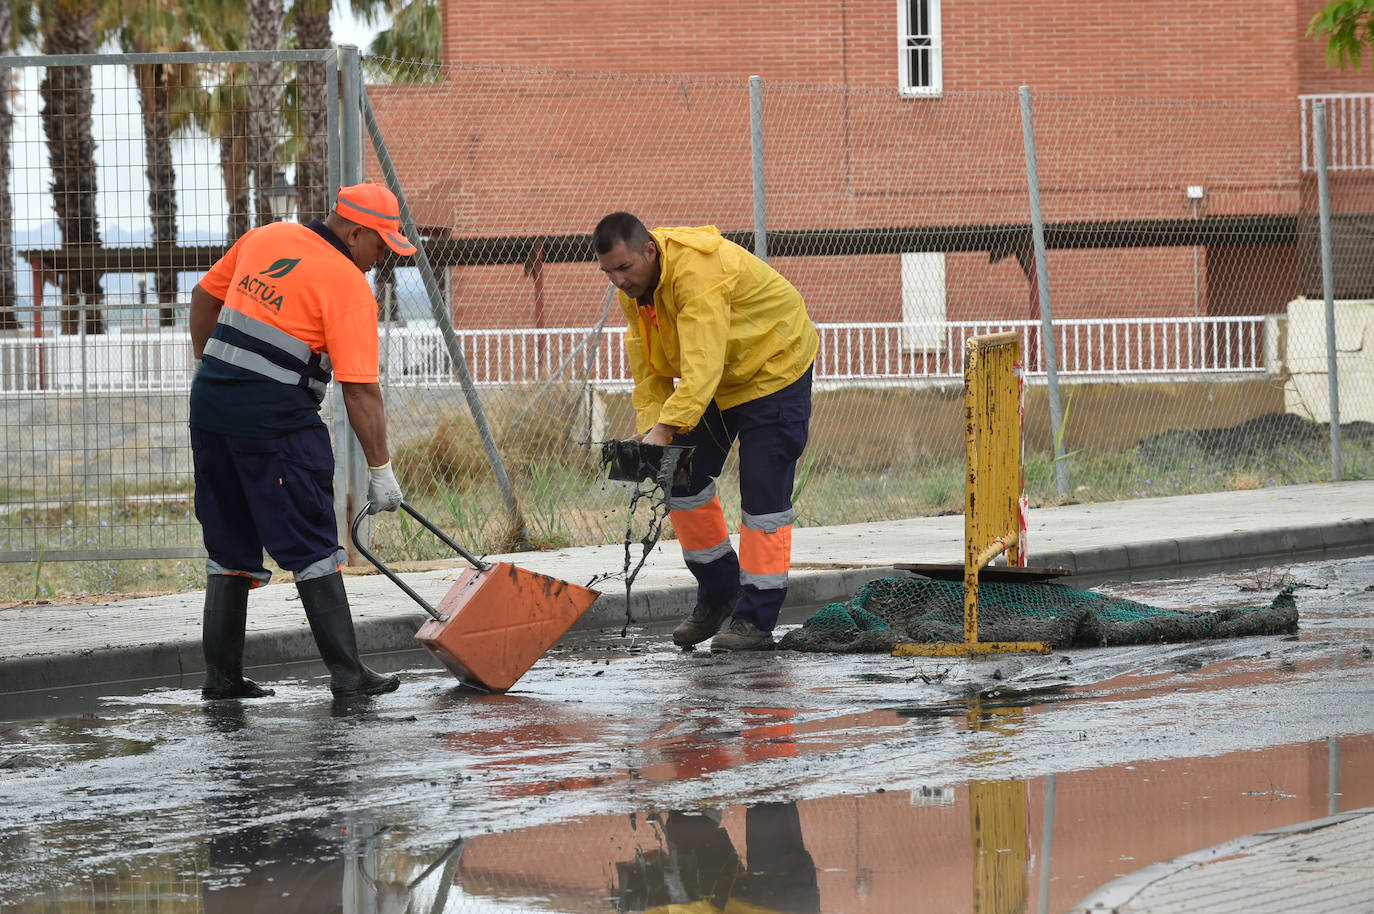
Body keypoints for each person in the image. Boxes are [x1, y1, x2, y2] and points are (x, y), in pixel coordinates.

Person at [190, 181, 414, 700]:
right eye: (380, 245)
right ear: (355, 231)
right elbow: (360, 390)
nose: (380, 259)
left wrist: (213, 371)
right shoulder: (347, 284)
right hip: (277, 424)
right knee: (313, 544)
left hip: (211, 410)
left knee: (228, 544)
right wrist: (380, 470)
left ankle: (220, 681)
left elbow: (203, 297)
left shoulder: (267, 237)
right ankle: (350, 677)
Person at [593, 212, 818, 653]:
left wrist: (665, 428)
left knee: (762, 494)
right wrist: (653, 433)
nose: (618, 281)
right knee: (678, 473)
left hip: (773, 366)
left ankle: (755, 618)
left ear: (649, 251)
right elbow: (649, 369)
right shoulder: (636, 292)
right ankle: (719, 594)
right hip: (720, 376)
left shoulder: (696, 275)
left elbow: (702, 365)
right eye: (608, 272)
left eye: (624, 268)